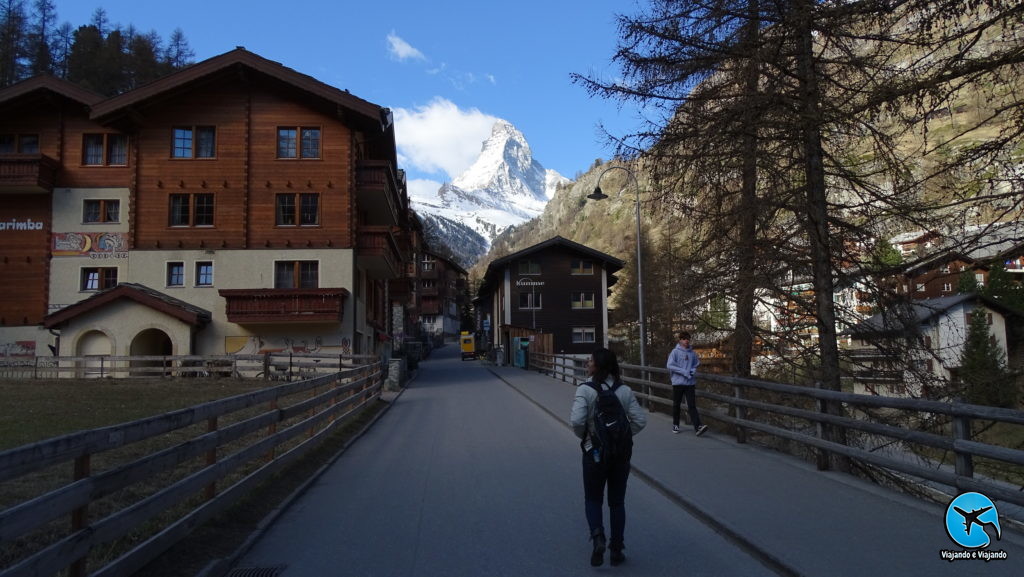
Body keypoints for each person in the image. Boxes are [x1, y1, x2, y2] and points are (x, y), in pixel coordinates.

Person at [570, 347, 647, 567]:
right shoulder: (624, 390)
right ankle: (616, 549)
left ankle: (598, 538)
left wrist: (588, 437)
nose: (587, 364)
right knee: (617, 502)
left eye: (590, 361)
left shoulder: (585, 390)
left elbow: (576, 421)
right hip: (620, 455)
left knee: (593, 498)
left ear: (597, 365)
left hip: (594, 453)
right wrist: (621, 437)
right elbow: (640, 421)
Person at [666, 331, 708, 436]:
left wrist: (692, 371)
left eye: (688, 339)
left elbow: (696, 364)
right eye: (684, 339)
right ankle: (676, 424)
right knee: (677, 405)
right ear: (680, 340)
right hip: (678, 383)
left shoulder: (692, 353)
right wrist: (683, 372)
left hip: (690, 383)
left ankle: (698, 426)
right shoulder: (675, 352)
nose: (686, 341)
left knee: (692, 405)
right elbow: (670, 365)